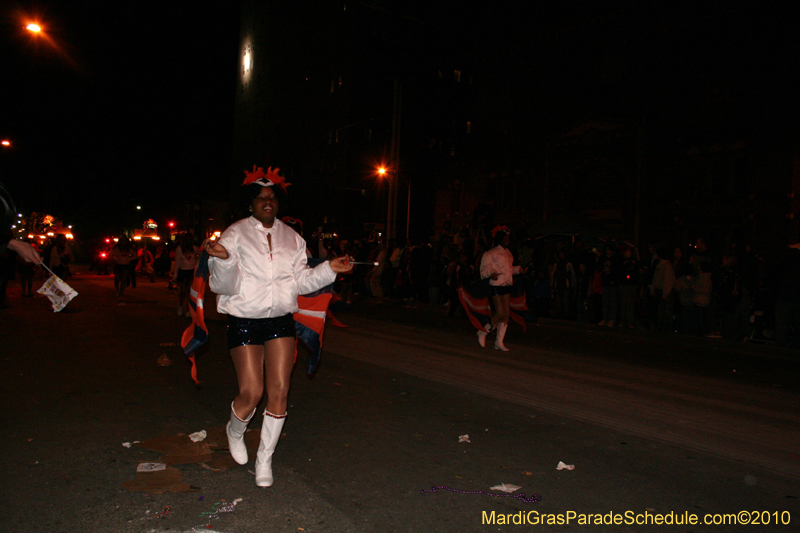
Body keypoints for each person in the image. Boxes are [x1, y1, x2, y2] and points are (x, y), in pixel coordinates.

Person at [205, 166, 353, 488]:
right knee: (252, 392)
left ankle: (265, 459)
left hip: (280, 320)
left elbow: (301, 280)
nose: (267, 202)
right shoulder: (235, 233)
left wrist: (330, 269)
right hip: (244, 319)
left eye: (271, 197)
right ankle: (235, 429)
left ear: (278, 202)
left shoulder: (293, 238)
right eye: (260, 198)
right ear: (251, 204)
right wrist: (224, 259)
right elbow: (222, 286)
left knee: (281, 390)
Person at [477, 226, 525, 351]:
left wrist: (518, 269)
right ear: (499, 239)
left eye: (508, 238)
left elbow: (508, 270)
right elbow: (484, 269)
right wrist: (490, 274)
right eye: (504, 238)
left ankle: (499, 341)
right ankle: (483, 332)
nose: (507, 240)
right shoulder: (491, 253)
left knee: (506, 315)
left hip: (507, 285)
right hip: (496, 285)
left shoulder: (509, 253)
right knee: (500, 313)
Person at [172, 233, 200, 316]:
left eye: (189, 239)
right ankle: (180, 306)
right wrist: (175, 276)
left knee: (190, 292)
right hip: (183, 271)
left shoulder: (194, 248)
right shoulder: (179, 249)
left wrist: (197, 264)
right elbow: (177, 263)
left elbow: (201, 255)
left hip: (191, 272)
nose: (188, 241)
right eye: (186, 239)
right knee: (183, 291)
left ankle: (188, 309)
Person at [111, 235, 136, 301]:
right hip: (118, 265)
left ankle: (121, 294)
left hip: (126, 265)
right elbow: (110, 254)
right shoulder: (117, 248)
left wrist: (129, 259)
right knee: (117, 279)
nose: (124, 242)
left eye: (125, 241)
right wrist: (116, 259)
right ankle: (117, 290)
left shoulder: (129, 249)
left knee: (123, 281)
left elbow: (135, 256)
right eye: (123, 240)